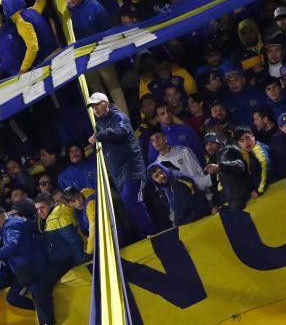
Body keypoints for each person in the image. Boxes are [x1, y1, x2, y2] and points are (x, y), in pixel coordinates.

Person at [87, 92, 153, 237]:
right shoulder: (99, 124)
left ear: (107, 103)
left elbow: (121, 131)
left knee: (131, 199)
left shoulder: (119, 116)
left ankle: (150, 233)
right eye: (92, 106)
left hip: (132, 169)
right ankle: (146, 234)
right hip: (118, 174)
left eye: (97, 104)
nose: (95, 109)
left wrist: (99, 136)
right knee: (128, 203)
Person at [0, 206, 56, 325]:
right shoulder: (14, 222)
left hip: (32, 268)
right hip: (31, 266)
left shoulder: (10, 226)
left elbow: (13, 245)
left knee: (34, 292)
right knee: (14, 296)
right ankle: (42, 313)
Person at [144, 162, 209, 232]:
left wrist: (179, 224)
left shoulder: (181, 180)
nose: (161, 176)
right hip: (188, 225)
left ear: (165, 169)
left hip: (200, 222)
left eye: (161, 172)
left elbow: (197, 205)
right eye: (156, 176)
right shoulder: (163, 189)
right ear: (154, 181)